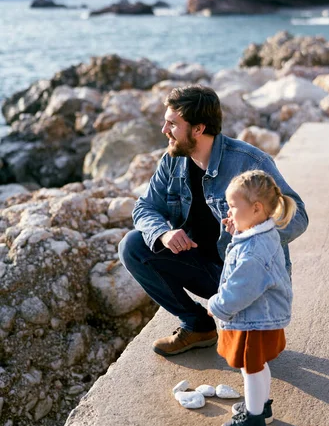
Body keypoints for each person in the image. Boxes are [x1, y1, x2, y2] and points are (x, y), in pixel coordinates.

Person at [118, 85, 308, 358]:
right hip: (203, 267)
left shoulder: (249, 163)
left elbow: (298, 215)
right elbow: (145, 207)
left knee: (251, 358)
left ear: (198, 129)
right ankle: (197, 326)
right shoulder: (173, 160)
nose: (164, 130)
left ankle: (250, 320)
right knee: (133, 246)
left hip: (248, 276)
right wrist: (163, 234)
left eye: (172, 123)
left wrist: (250, 231)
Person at [207, 170, 295, 426]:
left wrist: (217, 306)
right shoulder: (258, 235)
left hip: (255, 320)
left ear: (256, 209)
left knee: (252, 367)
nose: (229, 212)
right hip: (260, 317)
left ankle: (254, 420)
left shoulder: (255, 250)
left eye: (233, 206)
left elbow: (241, 288)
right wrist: (237, 232)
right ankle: (260, 405)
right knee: (256, 366)